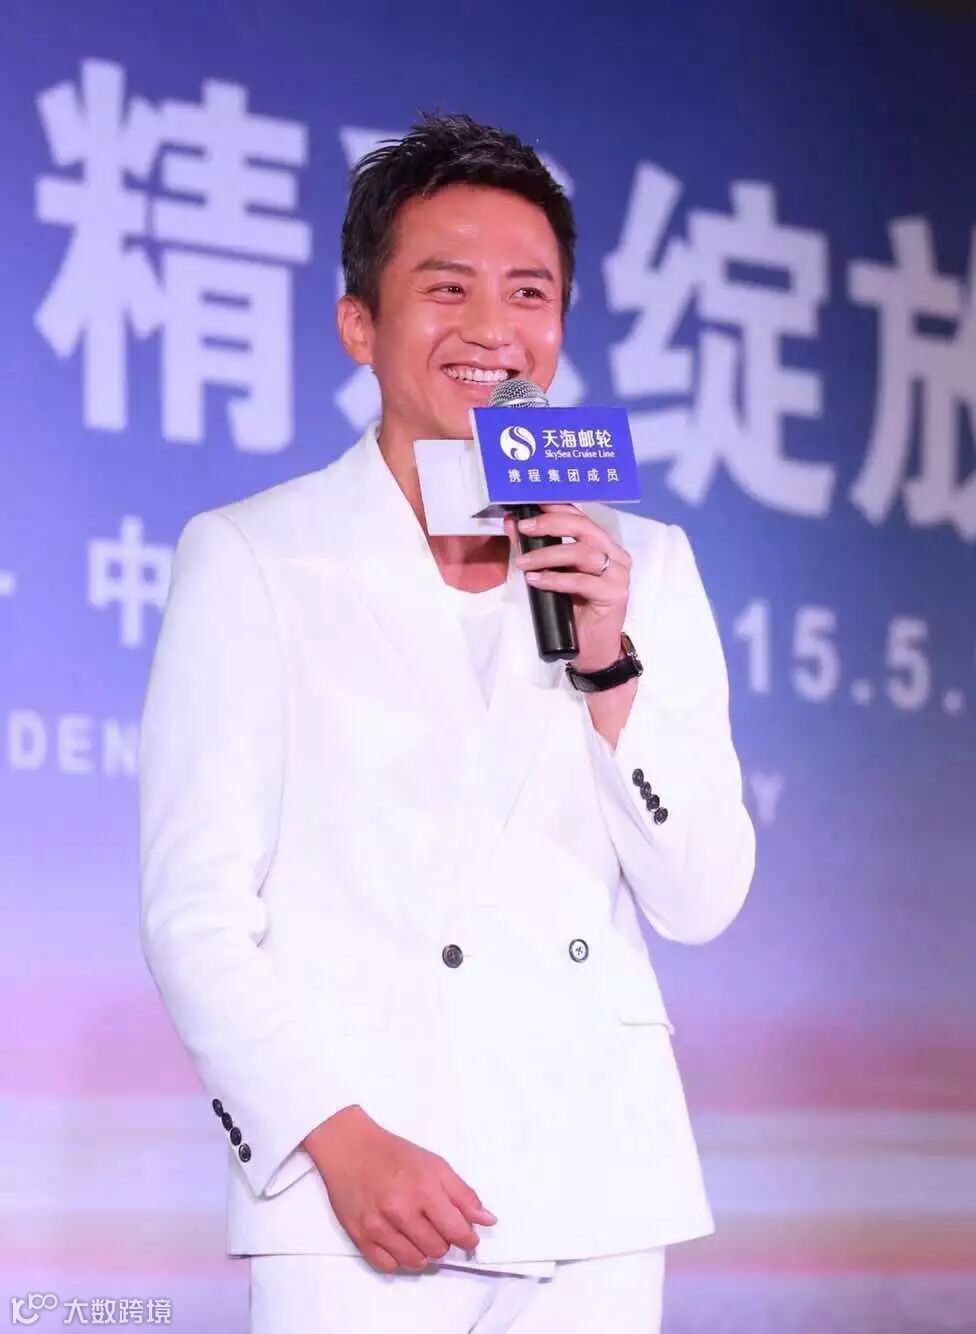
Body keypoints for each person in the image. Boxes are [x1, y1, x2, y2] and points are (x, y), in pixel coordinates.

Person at [137, 112, 756, 1332]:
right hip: (362, 1197)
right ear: (358, 324)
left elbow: (701, 897)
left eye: (529, 292)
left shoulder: (640, 563)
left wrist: (608, 663)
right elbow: (194, 912)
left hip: (592, 1184)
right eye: (446, 287)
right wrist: (335, 1138)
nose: (492, 329)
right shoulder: (256, 555)